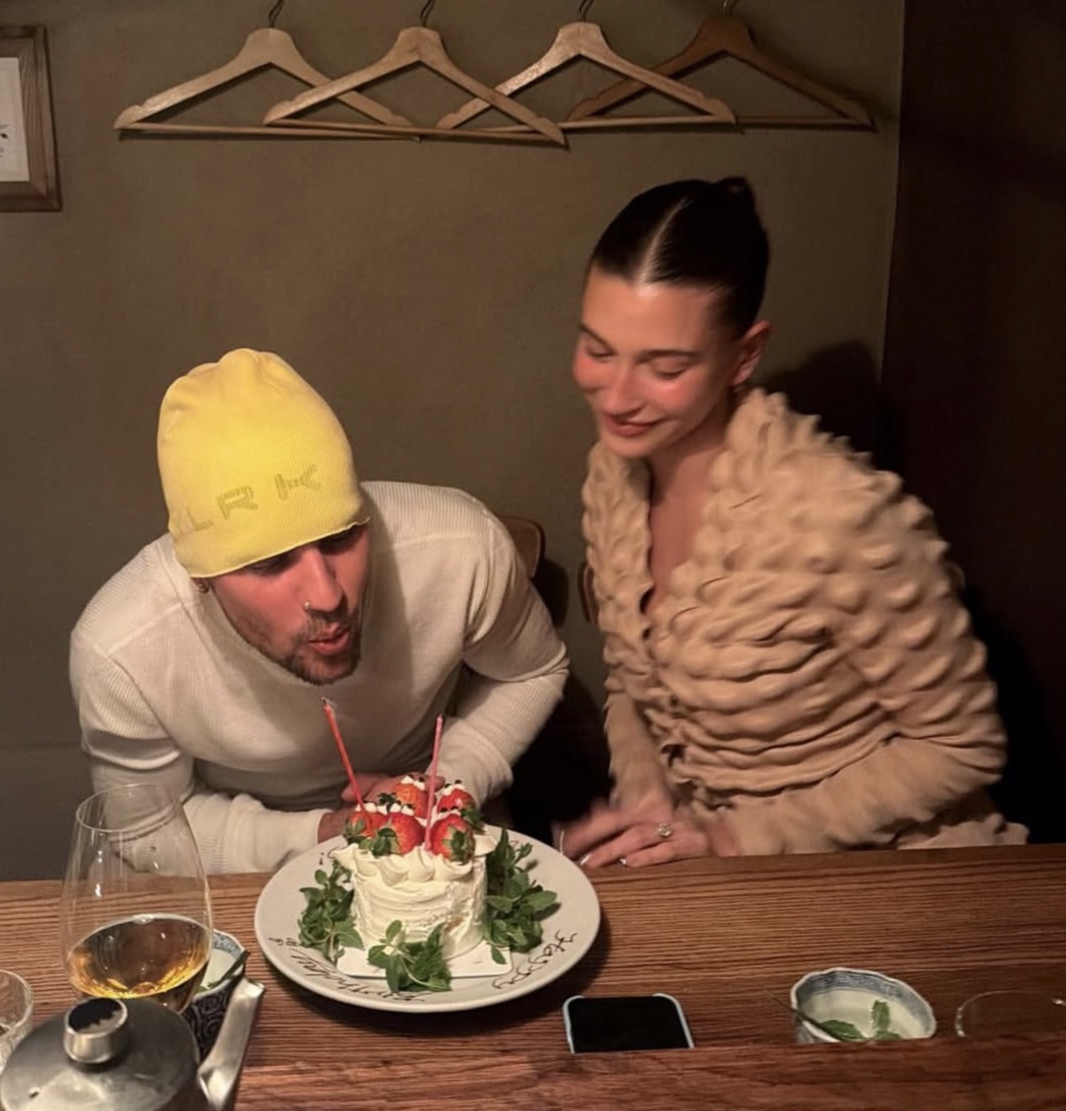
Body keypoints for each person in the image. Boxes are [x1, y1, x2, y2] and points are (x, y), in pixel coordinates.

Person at [561, 176, 1025, 871]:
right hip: (718, 869)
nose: (617, 395)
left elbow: (961, 746)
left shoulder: (838, 514)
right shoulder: (613, 473)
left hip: (893, 867)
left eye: (664, 366)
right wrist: (648, 799)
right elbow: (633, 683)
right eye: (599, 350)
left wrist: (733, 839)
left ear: (744, 356)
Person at [71, 349, 569, 874]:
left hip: (440, 823)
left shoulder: (460, 547)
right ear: (201, 576)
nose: (328, 596)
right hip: (243, 864)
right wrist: (323, 832)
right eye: (270, 563)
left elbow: (533, 671)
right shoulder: (121, 649)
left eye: (341, 537)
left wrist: (443, 786)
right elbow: (148, 829)